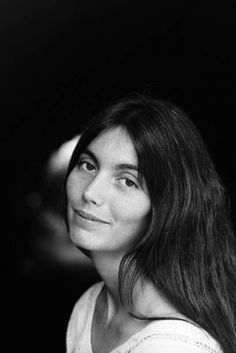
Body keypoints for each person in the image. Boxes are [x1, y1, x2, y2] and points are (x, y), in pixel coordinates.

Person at [64, 94, 236, 353]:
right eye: (88, 165)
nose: (90, 192)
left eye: (127, 181)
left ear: (167, 207)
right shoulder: (91, 305)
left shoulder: (173, 346)